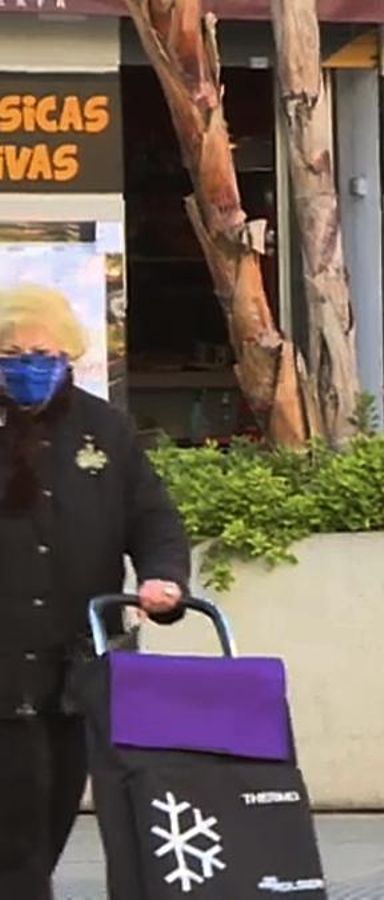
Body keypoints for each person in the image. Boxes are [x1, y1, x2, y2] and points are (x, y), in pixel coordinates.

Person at [0, 284, 189, 897]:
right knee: (15, 840)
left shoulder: (103, 429)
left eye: (42, 352)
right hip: (4, 669)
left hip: (77, 671)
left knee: (50, 818)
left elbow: (153, 518)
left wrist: (164, 579)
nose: (28, 365)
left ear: (69, 356)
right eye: (12, 352)